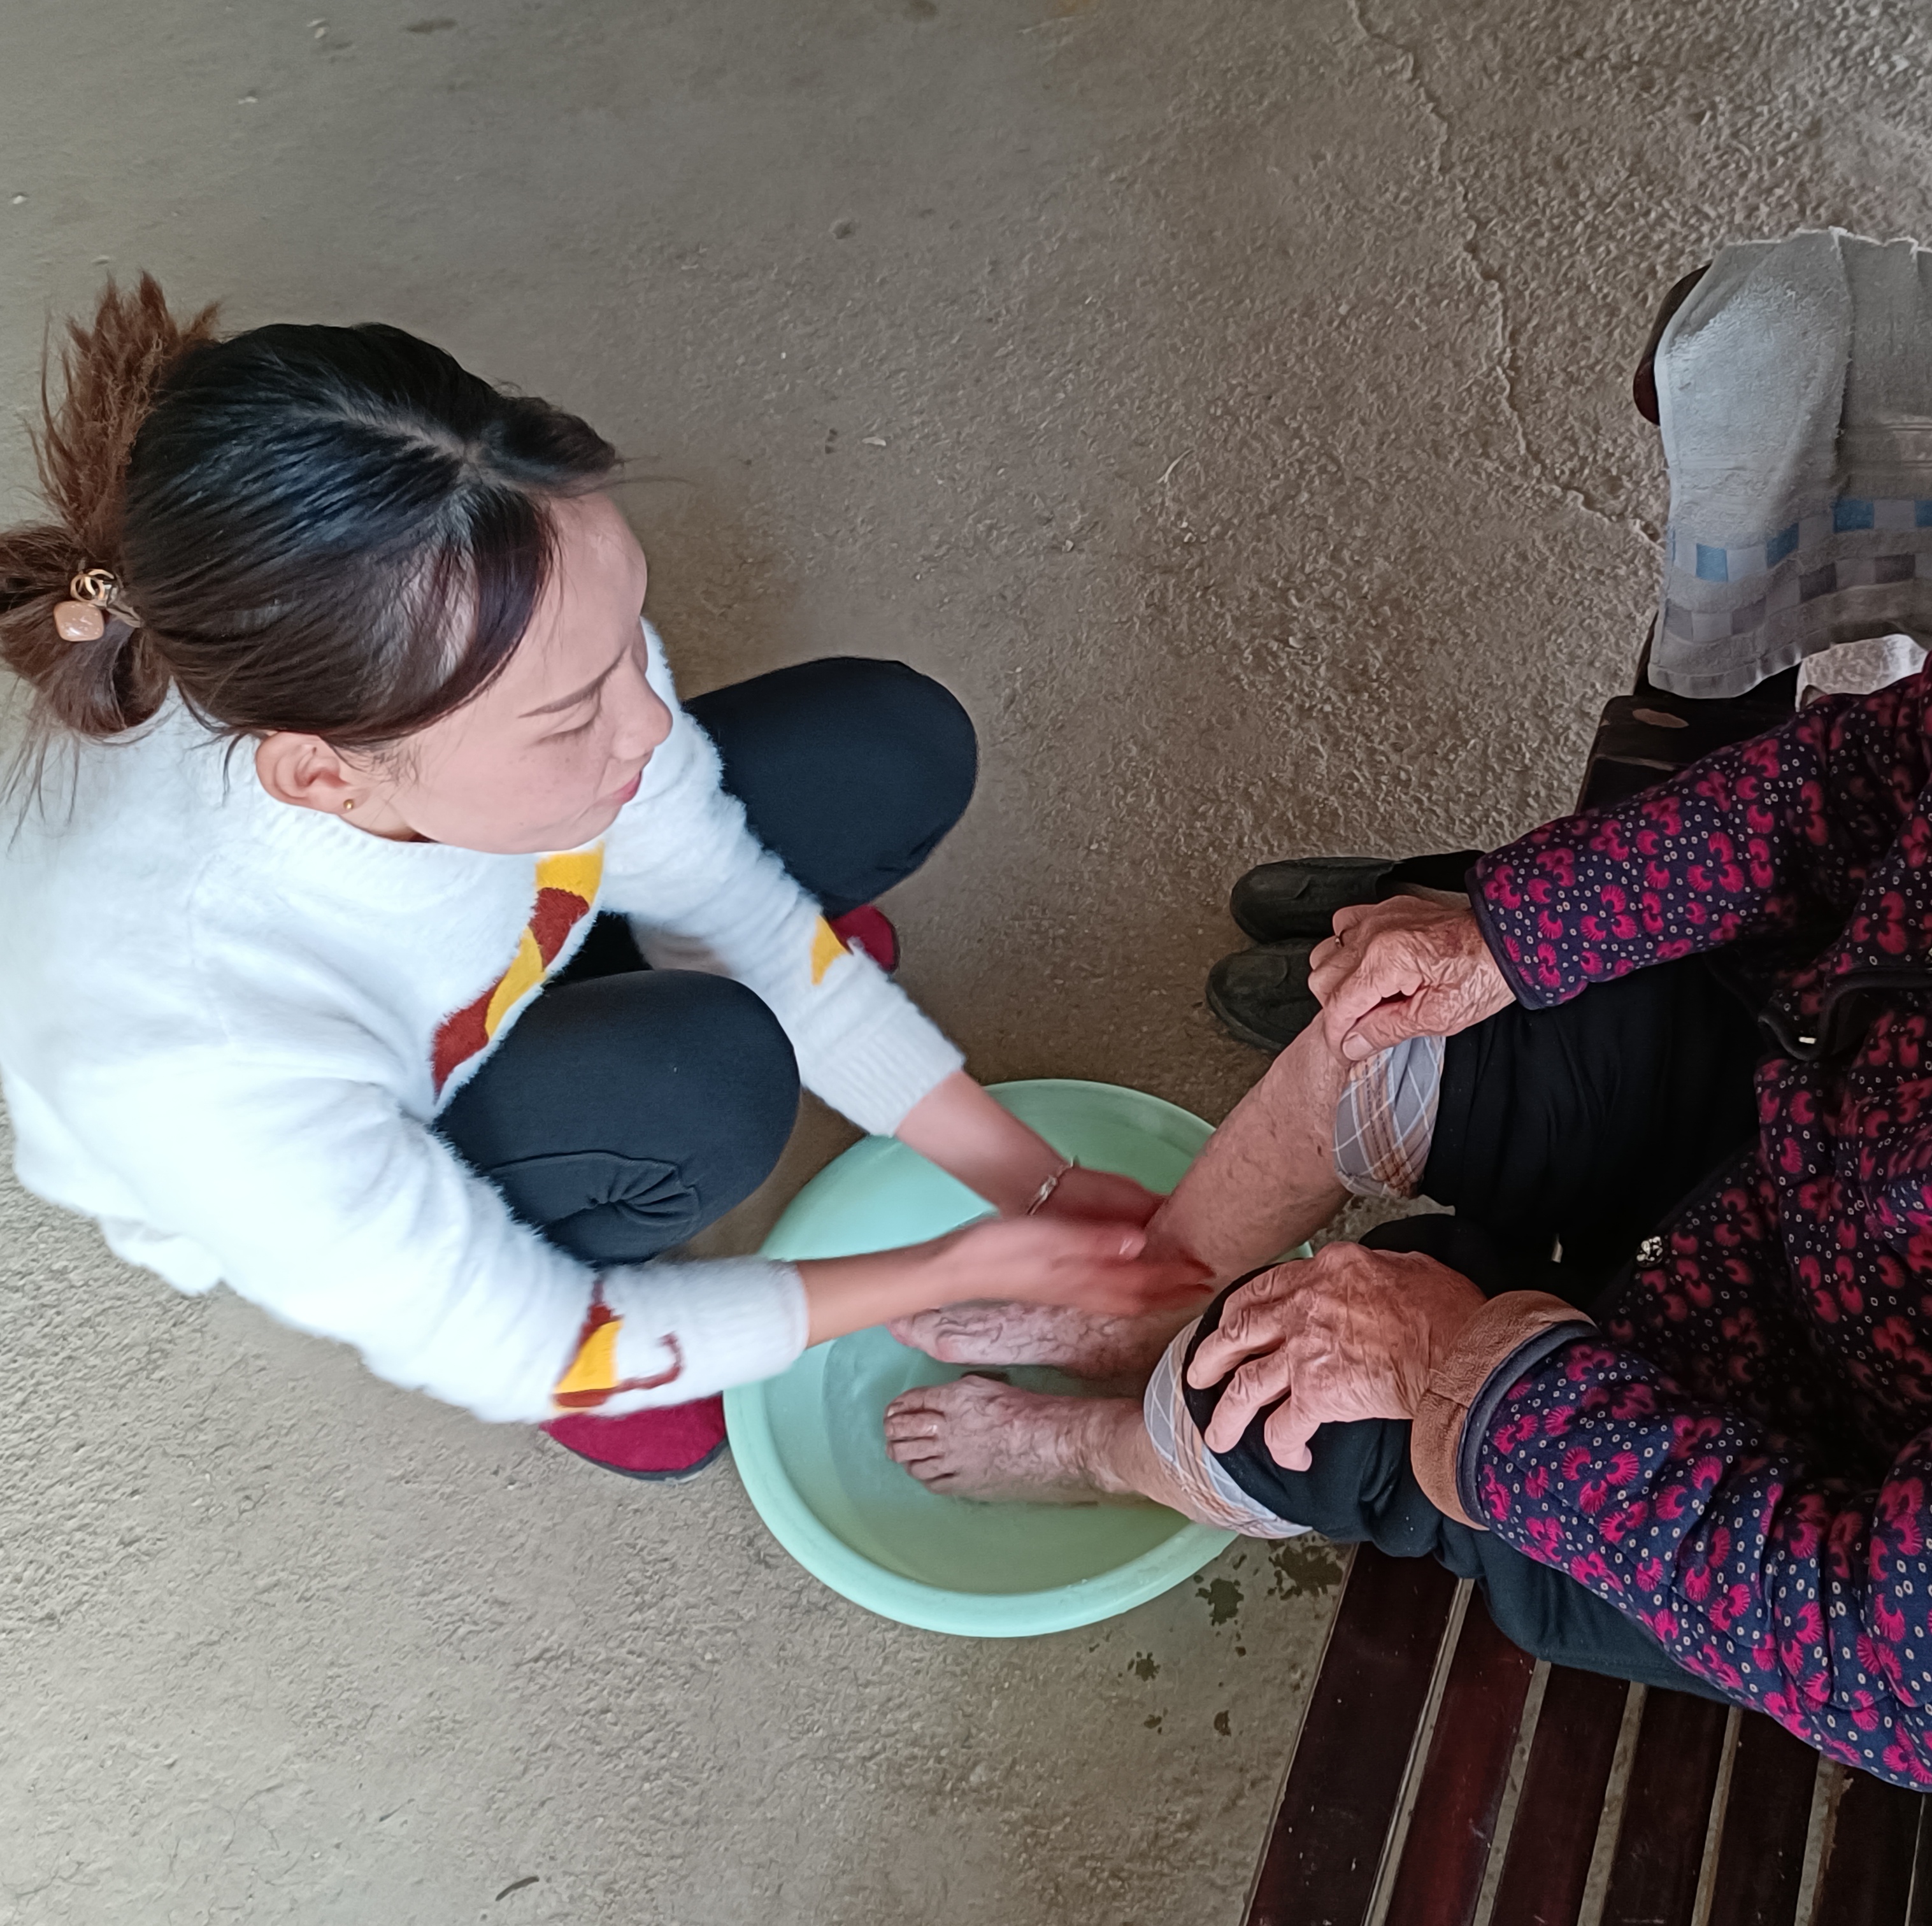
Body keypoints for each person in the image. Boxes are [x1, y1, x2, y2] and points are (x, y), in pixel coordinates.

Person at [881, 57, 1932, 1789]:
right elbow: (1858, 778)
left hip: (1800, 1445)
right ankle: (1150, 1290)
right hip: (1824, 1097)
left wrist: (1470, 1365)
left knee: (1283, 1397)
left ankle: (1109, 1446)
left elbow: (1920, 1675)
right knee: (1394, 1020)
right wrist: (1510, 930)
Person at [0, 282, 1201, 1482]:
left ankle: (633, 989)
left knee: (890, 749)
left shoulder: (500, 598)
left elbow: (727, 894)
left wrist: (1028, 1182)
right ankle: (590, 1231)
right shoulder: (193, 1065)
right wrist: (949, 1269)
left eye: (630, 631)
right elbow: (517, 1342)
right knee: (713, 1080)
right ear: (324, 775)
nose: (649, 721)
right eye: (574, 710)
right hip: (382, 1092)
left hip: (475, 925)